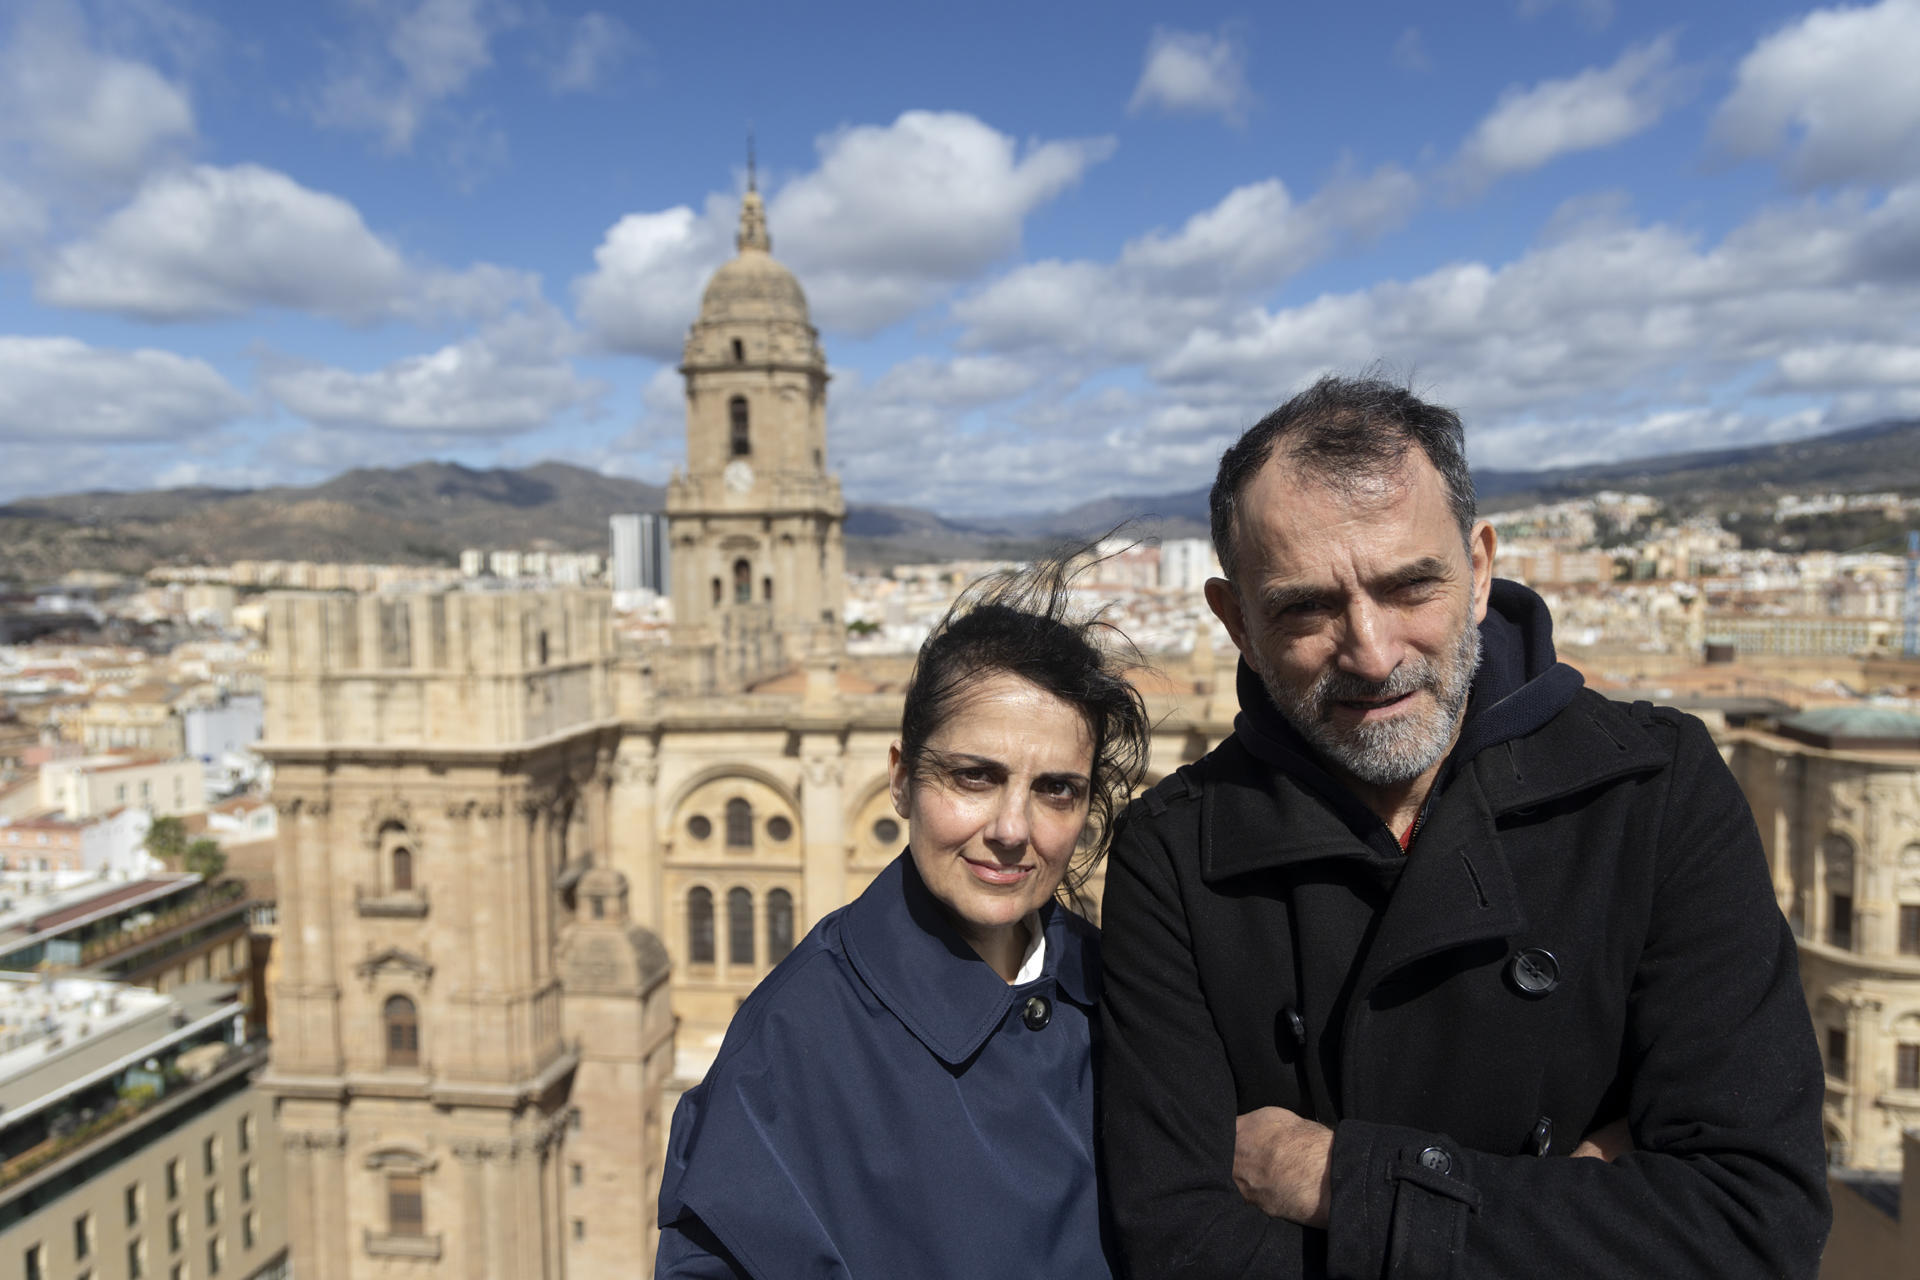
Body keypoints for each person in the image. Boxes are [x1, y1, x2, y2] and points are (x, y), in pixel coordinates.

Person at [1098, 376, 1831, 1278]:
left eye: (1411, 586)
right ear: (1237, 622)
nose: (1371, 651)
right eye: (1305, 608)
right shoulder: (1174, 856)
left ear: (1480, 570)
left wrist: (1343, 1180)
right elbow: (1179, 1251)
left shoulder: (1655, 792)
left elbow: (1751, 1225)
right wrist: (1580, 1209)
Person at [656, 554, 1150, 1278]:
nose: (1013, 829)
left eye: (1056, 790)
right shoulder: (792, 1045)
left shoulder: (1125, 991)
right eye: (974, 777)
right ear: (900, 778)